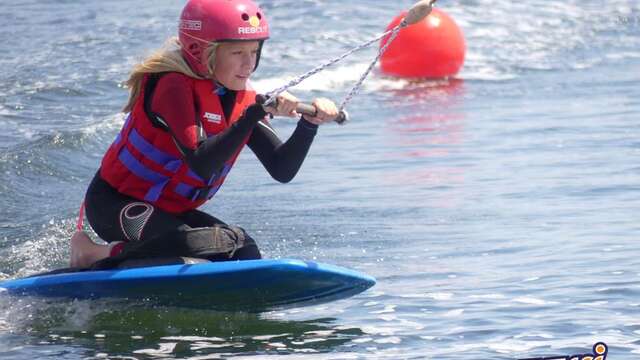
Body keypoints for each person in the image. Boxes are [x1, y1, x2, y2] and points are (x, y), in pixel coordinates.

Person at [70, 0, 338, 269]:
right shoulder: (172, 86)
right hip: (116, 204)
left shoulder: (241, 100)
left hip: (168, 209)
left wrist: (308, 124)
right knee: (192, 248)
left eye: (254, 52)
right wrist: (253, 115)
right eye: (237, 53)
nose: (248, 64)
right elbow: (201, 161)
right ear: (202, 52)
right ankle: (93, 254)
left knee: (244, 252)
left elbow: (282, 169)